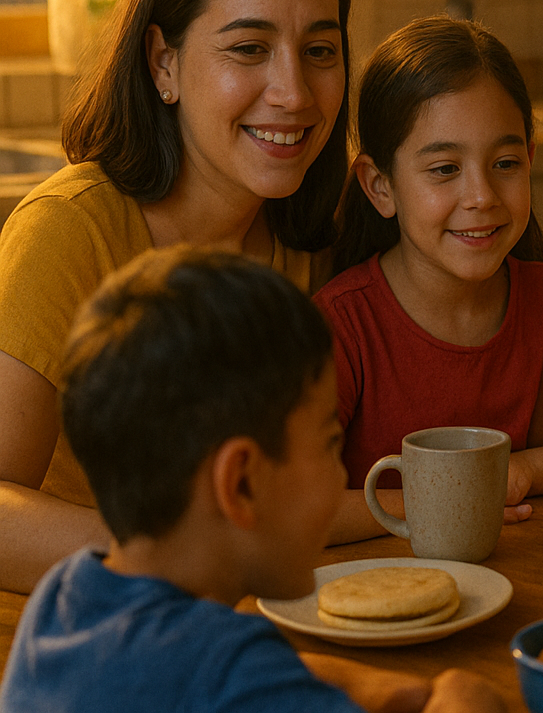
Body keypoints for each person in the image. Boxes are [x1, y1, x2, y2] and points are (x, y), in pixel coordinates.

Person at [0, 0, 353, 593]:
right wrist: (194, 557)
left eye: (320, 49)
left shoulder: (322, 236)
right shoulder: (66, 232)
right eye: (249, 47)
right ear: (163, 63)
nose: (294, 91)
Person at [0, 246, 506, 713]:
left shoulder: (63, 599)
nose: (340, 478)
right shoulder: (235, 678)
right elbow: (240, 672)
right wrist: (467, 697)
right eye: (330, 445)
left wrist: (390, 688)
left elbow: (250, 661)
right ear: (240, 483)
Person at [316, 17, 543, 543]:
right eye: (445, 169)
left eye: (506, 162)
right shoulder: (339, 325)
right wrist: (454, 496)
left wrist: (522, 474)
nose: (482, 196)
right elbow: (296, 511)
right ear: (380, 187)